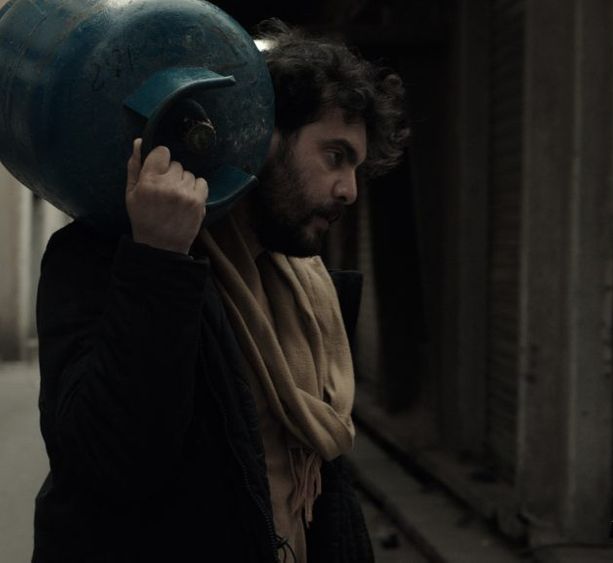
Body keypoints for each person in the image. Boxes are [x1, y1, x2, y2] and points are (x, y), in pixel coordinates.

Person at [32, 21, 407, 563]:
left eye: (356, 168)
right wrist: (158, 260)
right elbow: (109, 464)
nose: (350, 190)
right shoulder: (101, 256)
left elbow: (328, 504)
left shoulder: (306, 290)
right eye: (335, 156)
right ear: (261, 135)